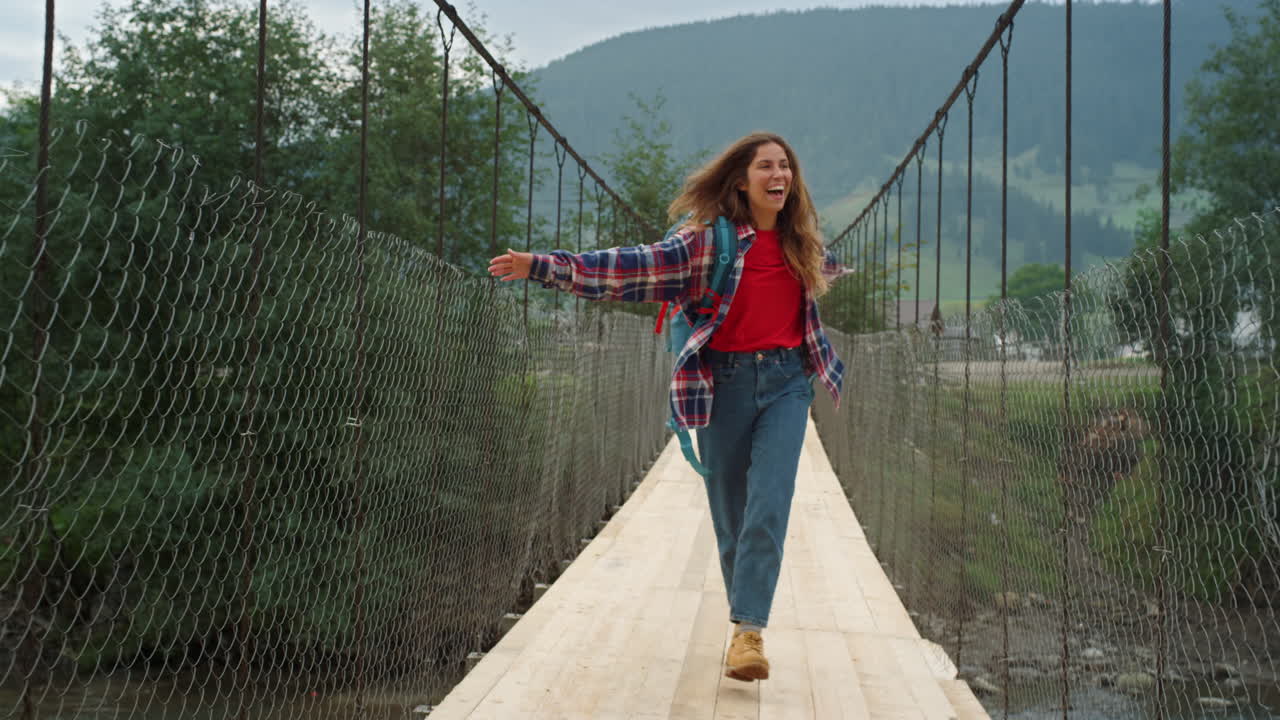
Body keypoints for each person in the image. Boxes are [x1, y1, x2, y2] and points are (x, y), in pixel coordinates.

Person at [487, 131, 844, 683]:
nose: (780, 176)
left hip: (788, 383)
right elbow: (626, 269)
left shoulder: (804, 244)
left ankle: (749, 631)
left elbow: (823, 274)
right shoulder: (704, 244)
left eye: (786, 167)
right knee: (731, 514)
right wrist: (541, 266)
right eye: (767, 167)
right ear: (742, 180)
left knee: (769, 503)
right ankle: (742, 624)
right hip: (722, 384)